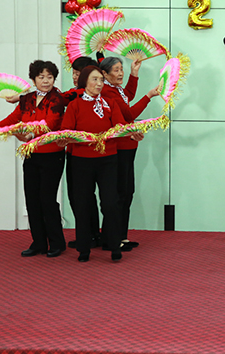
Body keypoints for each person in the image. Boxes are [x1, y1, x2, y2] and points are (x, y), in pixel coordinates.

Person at [58, 66, 143, 263]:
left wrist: (132, 134)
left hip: (108, 160)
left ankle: (113, 244)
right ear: (85, 82)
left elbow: (120, 127)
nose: (99, 84)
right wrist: (64, 139)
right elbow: (66, 130)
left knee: (110, 203)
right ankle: (84, 247)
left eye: (101, 80)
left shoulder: (110, 103)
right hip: (81, 161)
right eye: (94, 79)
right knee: (83, 204)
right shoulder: (75, 105)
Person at [0, 60, 66, 257]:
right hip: (31, 154)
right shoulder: (27, 99)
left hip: (52, 155)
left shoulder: (57, 98)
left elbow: (51, 123)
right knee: (32, 199)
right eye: (41, 77)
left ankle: (57, 243)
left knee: (47, 199)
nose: (46, 81)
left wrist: (30, 134)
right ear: (33, 79)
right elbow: (13, 119)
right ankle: (39, 243)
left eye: (50, 77)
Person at [99, 57, 158, 251]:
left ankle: (120, 237)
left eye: (121, 69)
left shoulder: (115, 89)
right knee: (119, 194)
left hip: (128, 146)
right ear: (105, 74)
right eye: (116, 70)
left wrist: (134, 73)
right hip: (119, 148)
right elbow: (129, 115)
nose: (120, 73)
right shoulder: (107, 91)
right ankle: (112, 237)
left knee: (126, 193)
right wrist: (148, 96)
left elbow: (128, 95)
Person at [63, 56, 101, 250]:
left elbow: (58, 98)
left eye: (79, 74)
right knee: (84, 196)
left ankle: (88, 235)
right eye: (74, 73)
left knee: (80, 197)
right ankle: (92, 234)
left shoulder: (77, 96)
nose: (75, 77)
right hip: (75, 151)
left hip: (80, 154)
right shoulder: (75, 94)